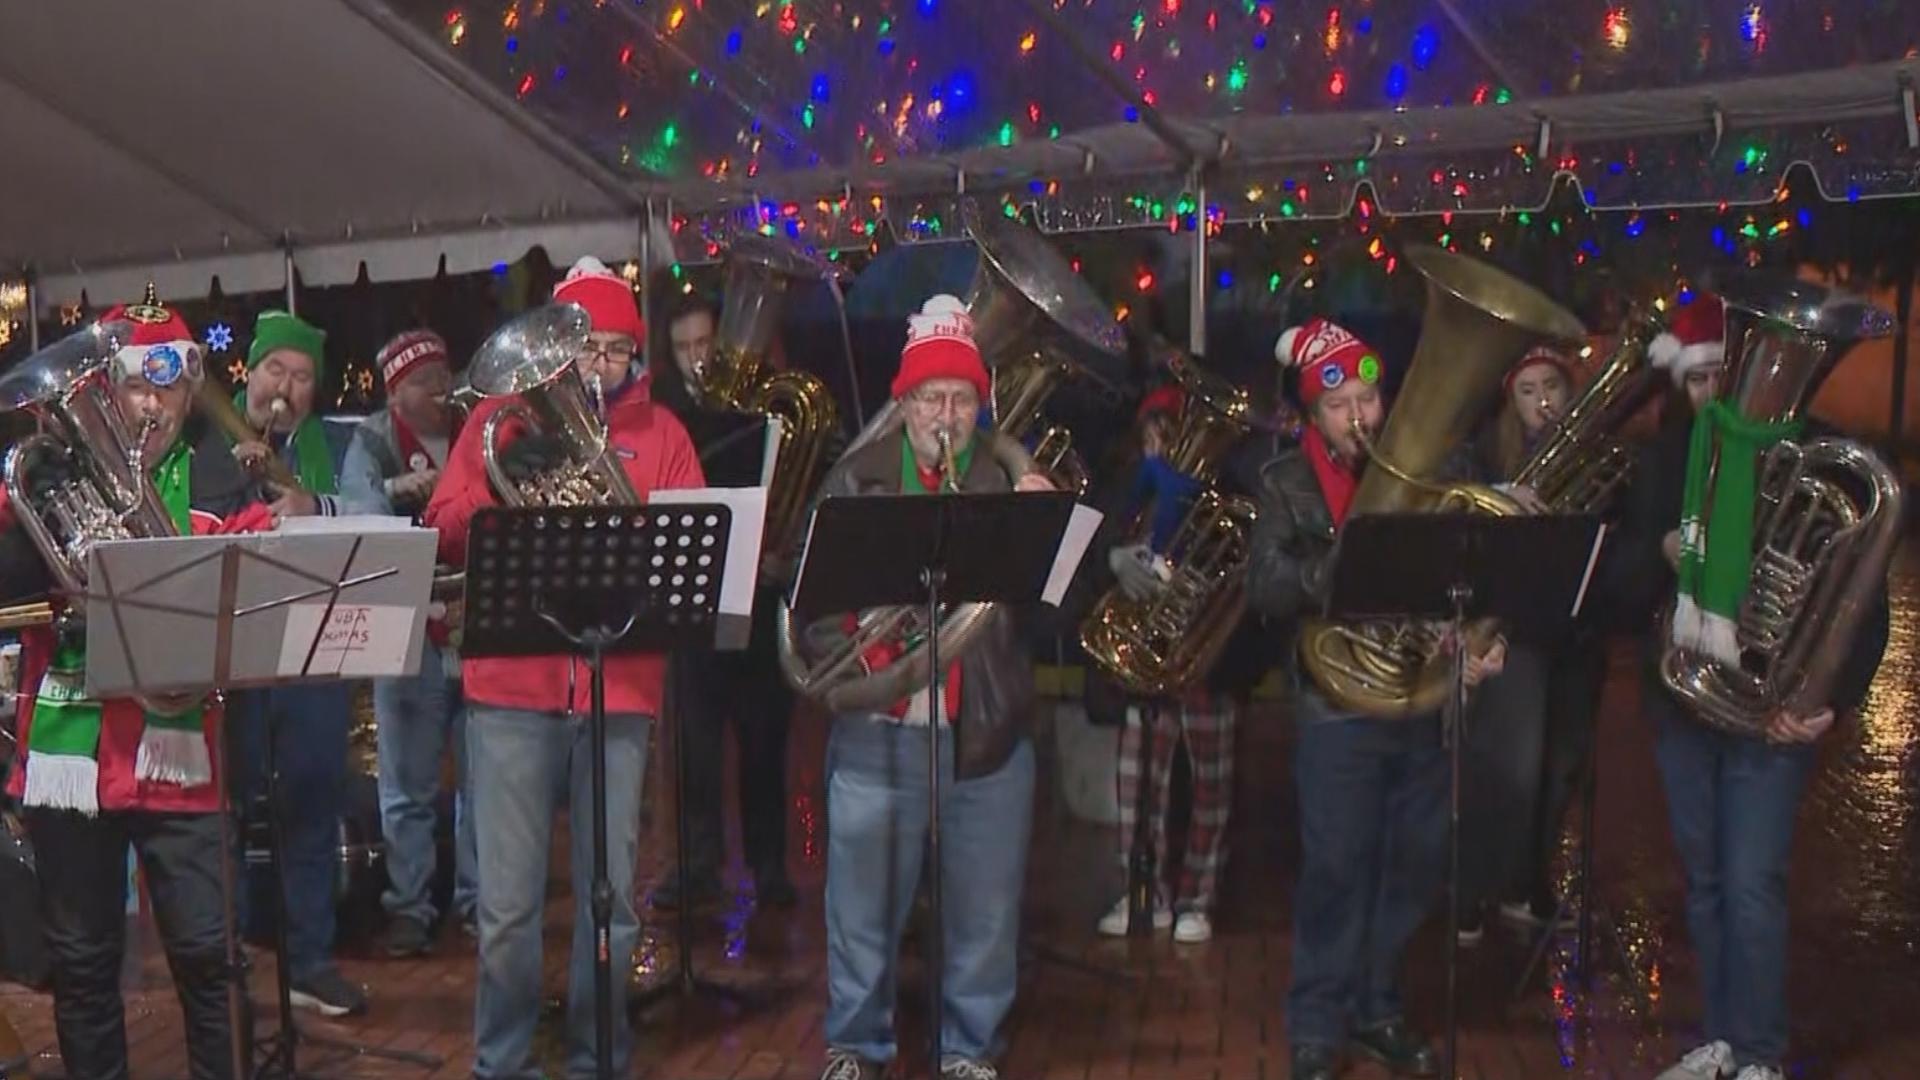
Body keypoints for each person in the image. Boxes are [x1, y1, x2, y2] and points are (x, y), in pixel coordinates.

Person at [0, 300, 313, 1079]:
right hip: (73, 757)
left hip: (183, 754)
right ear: (109, 389)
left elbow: (261, 591)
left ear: (189, 391)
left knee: (211, 959)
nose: (150, 406)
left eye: (166, 390)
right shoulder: (47, 473)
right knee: (81, 962)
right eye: (135, 386)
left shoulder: (218, 476)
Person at [426, 256, 704, 1080]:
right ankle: (501, 1065)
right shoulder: (502, 422)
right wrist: (512, 491)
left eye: (618, 350)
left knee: (611, 903)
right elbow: (442, 525)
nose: (602, 366)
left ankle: (596, 1058)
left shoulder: (666, 435)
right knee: (509, 908)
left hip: (619, 688)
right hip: (512, 687)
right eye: (588, 350)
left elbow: (688, 554)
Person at [1614, 295, 1890, 1080]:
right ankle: (1720, 1040)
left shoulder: (1824, 454)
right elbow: (1624, 579)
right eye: (1696, 383)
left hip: (1770, 715)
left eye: (1720, 378)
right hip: (1684, 704)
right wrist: (1663, 551)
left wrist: (1827, 704)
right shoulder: (1668, 459)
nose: (1711, 396)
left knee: (1754, 885)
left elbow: (1861, 608)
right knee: (1703, 885)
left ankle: (1761, 1051)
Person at [1247, 317, 1508, 1080]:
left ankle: (1377, 1005)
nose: (1360, 417)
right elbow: (1263, 585)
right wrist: (1334, 569)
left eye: (1370, 398)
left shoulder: (1440, 465)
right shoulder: (1284, 482)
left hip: (1417, 696)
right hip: (1336, 705)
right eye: (1341, 405)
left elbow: (1482, 566)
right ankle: (1318, 1020)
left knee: (1417, 860)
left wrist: (1478, 635)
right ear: (1310, 414)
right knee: (1337, 864)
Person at [810, 295, 1055, 1080]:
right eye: (929, 399)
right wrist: (866, 659)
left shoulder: (1006, 481)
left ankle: (970, 1050)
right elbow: (810, 613)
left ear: (979, 406)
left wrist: (1043, 534)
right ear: (904, 401)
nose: (944, 415)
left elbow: (1055, 616)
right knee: (862, 911)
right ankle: (856, 1046)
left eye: (960, 400)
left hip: (983, 731)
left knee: (984, 914)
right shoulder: (856, 479)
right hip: (878, 729)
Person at [222, 309, 365, 1016]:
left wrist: (315, 504)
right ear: (249, 371)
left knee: (311, 801)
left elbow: (371, 514)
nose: (287, 385)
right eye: (276, 368)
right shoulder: (209, 439)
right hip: (234, 654)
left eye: (303, 376)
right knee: (230, 810)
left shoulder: (337, 445)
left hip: (311, 650)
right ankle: (230, 958)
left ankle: (308, 960)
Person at [650, 293, 798, 912]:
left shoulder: (768, 410)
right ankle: (698, 866)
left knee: (766, 740)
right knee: (696, 744)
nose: (694, 361)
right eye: (682, 349)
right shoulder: (670, 417)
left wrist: (781, 552)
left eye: (703, 346)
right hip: (697, 603)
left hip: (762, 601)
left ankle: (769, 866)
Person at [1090, 384, 1250, 946]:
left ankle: (1197, 898)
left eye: (1175, 436)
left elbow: (1244, 582)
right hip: (1143, 674)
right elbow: (1082, 560)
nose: (1165, 449)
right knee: (1138, 794)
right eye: (1156, 437)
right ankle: (1142, 891)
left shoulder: (1226, 499)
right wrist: (1113, 559)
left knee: (1211, 791)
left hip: (1207, 670)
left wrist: (1197, 580)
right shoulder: (1125, 495)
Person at [1455, 345, 1602, 942]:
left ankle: (1525, 885)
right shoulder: (1485, 454)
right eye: (1528, 389)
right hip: (1515, 631)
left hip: (1573, 630)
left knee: (1561, 766)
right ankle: (1471, 891)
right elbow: (1460, 518)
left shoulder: (1593, 455)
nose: (1543, 400)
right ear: (1509, 401)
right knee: (1509, 767)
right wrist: (1502, 499)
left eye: (1553, 387)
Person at [340, 329, 479, 955]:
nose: (442, 386)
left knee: (485, 781)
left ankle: (480, 904)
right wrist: (402, 492)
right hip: (410, 630)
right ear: (397, 394)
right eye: (425, 379)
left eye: (444, 371)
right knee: (406, 784)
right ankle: (409, 908)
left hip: (477, 621)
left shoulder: (476, 426)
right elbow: (359, 513)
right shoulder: (371, 441)